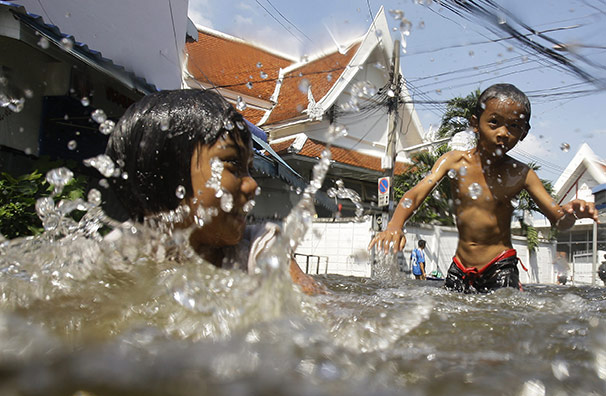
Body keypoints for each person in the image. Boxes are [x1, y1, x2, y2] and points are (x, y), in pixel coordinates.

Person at [369, 83, 599, 293]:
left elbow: (557, 218)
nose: (503, 133)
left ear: (524, 133)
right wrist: (396, 224)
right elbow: (417, 192)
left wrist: (571, 214)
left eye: (514, 126)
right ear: (474, 123)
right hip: (459, 267)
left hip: (500, 267)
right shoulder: (453, 161)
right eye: (494, 122)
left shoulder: (522, 174)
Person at [104, 88, 320, 293]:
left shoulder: (260, 249)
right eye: (233, 164)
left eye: (250, 169)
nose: (253, 185)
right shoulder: (119, 253)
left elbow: (319, 311)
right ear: (165, 175)